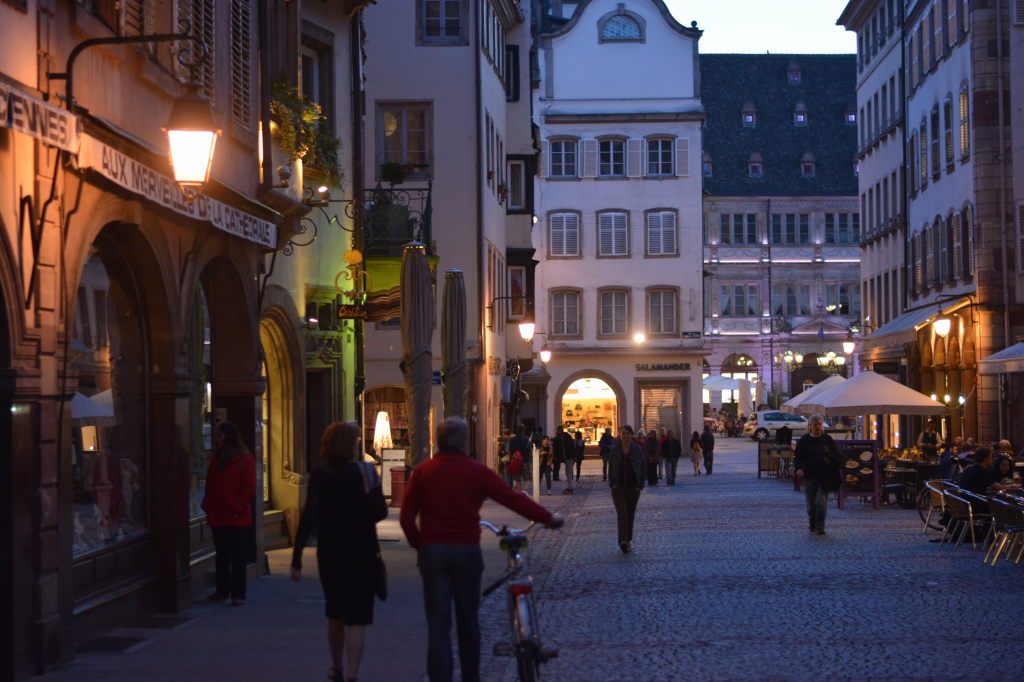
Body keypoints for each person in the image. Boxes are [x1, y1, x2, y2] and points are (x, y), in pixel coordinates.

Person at [400, 417, 563, 682]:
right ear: (464, 442)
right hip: (465, 551)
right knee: (468, 622)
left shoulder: (423, 472)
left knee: (438, 625)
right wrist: (548, 518)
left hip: (434, 552)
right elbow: (511, 498)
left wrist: (421, 545)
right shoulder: (474, 471)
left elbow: (407, 519)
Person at [291, 422, 388, 682]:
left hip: (331, 551)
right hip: (363, 550)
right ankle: (353, 674)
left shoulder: (321, 475)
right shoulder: (367, 472)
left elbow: (309, 517)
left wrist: (297, 558)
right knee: (357, 616)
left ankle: (337, 667)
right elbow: (381, 511)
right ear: (352, 445)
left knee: (335, 611)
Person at [201, 422, 256, 606]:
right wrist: (208, 505)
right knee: (222, 555)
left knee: (238, 556)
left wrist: (236, 506)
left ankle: (238, 593)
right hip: (219, 515)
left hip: (236, 516)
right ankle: (222, 590)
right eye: (216, 436)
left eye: (220, 436)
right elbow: (210, 484)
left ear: (229, 437)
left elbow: (248, 487)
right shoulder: (217, 459)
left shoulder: (244, 459)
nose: (217, 440)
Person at [793, 414, 840, 535]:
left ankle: (820, 527)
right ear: (810, 426)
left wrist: (830, 459)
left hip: (824, 475)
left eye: (820, 424)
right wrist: (798, 469)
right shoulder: (804, 440)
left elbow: (835, 454)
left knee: (821, 501)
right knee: (811, 504)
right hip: (809, 475)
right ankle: (812, 524)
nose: (818, 427)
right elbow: (798, 457)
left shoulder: (827, 439)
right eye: (815, 424)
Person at [608, 425, 646, 554]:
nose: (625, 436)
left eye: (627, 433)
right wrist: (612, 484)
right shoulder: (615, 450)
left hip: (633, 488)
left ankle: (627, 540)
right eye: (623, 433)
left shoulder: (637, 449)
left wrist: (640, 485)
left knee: (630, 515)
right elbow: (610, 469)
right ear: (619, 435)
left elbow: (642, 467)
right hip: (618, 488)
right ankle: (623, 541)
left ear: (631, 435)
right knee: (622, 514)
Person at [507, 425, 533, 494]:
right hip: (525, 461)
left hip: (515, 462)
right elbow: (531, 451)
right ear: (523, 430)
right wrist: (531, 462)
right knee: (528, 479)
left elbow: (509, 451)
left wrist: (511, 461)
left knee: (517, 480)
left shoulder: (511, 440)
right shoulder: (527, 439)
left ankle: (518, 495)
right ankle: (524, 491)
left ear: (516, 430)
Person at [555, 426, 576, 494]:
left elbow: (570, 447)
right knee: (568, 472)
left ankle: (570, 488)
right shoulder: (562, 437)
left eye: (558, 431)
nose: (557, 432)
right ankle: (569, 487)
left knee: (569, 472)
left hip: (569, 457)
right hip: (567, 457)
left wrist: (570, 456)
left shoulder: (566, 437)